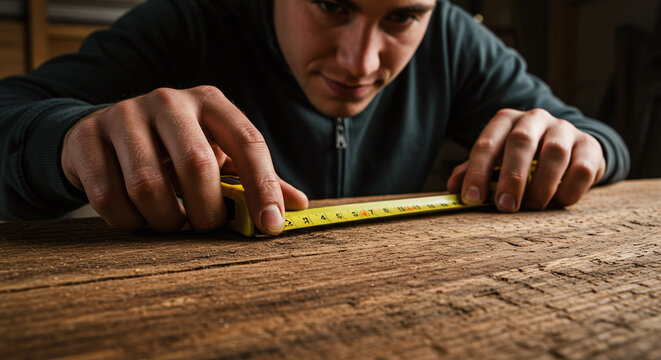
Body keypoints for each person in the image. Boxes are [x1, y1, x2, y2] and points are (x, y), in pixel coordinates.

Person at [0, 0, 629, 235]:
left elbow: (596, 137)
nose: (361, 61)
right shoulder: (185, 23)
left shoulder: (456, 41)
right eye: (332, 3)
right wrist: (67, 140)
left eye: (402, 17)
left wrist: (580, 147)